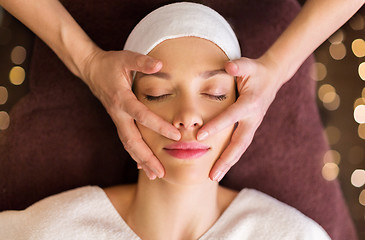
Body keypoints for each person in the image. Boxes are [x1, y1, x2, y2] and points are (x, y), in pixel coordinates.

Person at [0, 0, 361, 239]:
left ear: (246, 108)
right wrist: (88, 61)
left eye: (216, 94)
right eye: (157, 94)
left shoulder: (292, 235)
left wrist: (277, 67)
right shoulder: (53, 231)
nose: (188, 117)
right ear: (122, 107)